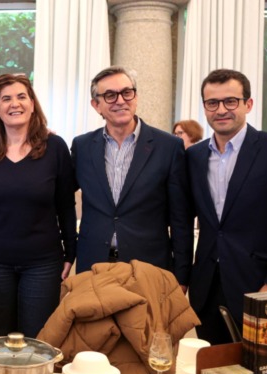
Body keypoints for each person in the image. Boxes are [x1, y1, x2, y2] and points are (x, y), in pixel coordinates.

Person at [187, 68, 267, 344]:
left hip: (263, 288)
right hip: (207, 293)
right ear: (205, 107)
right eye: (212, 103)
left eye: (230, 101)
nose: (221, 110)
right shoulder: (194, 157)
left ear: (248, 104)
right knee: (213, 368)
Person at [71, 67, 193, 291]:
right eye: (110, 95)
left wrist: (182, 275)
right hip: (94, 266)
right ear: (96, 105)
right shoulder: (82, 146)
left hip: (148, 268)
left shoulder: (168, 147)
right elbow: (60, 198)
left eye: (127, 92)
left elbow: (180, 217)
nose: (120, 101)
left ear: (136, 97)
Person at [0, 74, 76, 338]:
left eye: (21, 97)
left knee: (37, 340)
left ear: (32, 104)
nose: (14, 104)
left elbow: (66, 204)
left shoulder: (55, 147)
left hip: (42, 264)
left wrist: (70, 253)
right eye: (6, 99)